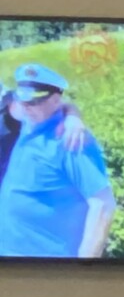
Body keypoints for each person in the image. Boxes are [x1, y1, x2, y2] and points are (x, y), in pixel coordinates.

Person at [0, 64, 116, 259]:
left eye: (33, 101)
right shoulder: (29, 120)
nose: (26, 107)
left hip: (47, 263)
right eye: (23, 100)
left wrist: (84, 266)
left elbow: (103, 204)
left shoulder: (71, 139)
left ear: (54, 100)